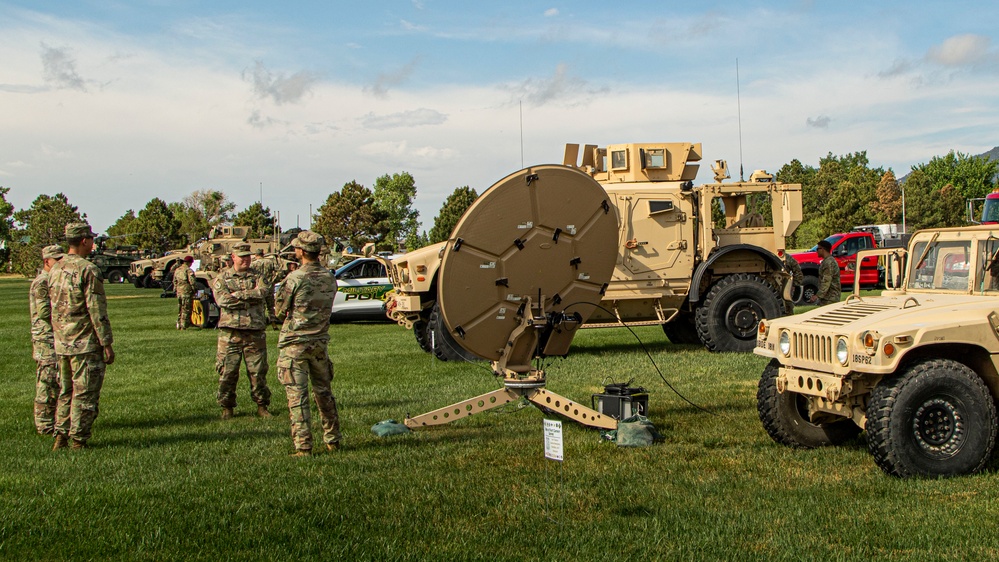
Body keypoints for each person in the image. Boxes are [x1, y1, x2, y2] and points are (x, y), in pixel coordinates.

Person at [49, 223, 115, 450]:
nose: (93, 243)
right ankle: (78, 440)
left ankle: (61, 436)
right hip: (84, 342)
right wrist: (106, 343)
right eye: (90, 239)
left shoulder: (54, 269)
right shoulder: (88, 270)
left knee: (66, 391)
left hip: (61, 342)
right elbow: (96, 310)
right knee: (85, 392)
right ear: (83, 241)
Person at [275, 231, 341, 455]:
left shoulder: (295, 278)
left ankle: (303, 446)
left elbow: (279, 310)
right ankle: (333, 438)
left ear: (301, 252)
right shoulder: (329, 277)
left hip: (296, 344)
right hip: (319, 343)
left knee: (298, 395)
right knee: (324, 393)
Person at [213, 243, 272, 419]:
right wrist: (250, 298)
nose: (246, 259)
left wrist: (238, 295)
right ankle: (227, 407)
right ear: (233, 257)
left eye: (248, 256)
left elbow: (263, 292)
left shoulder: (258, 276)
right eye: (242, 256)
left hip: (254, 331)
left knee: (258, 372)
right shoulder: (222, 278)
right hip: (230, 333)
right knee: (228, 372)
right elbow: (223, 301)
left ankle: (262, 406)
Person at [29, 244, 64, 435]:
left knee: (57, 380)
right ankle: (44, 424)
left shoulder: (53, 280)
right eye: (56, 260)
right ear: (46, 261)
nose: (59, 263)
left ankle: (56, 421)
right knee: (47, 380)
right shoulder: (42, 282)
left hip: (55, 336)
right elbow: (44, 312)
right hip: (45, 338)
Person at [810, 239, 841, 306]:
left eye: (818, 249)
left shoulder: (829, 262)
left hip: (830, 298)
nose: (816, 251)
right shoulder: (826, 261)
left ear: (823, 249)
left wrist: (818, 296)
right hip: (827, 297)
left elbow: (826, 281)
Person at [174, 256, 196, 329]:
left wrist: (176, 289)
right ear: (190, 263)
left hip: (179, 291)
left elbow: (174, 281)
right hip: (186, 290)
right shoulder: (188, 270)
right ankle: (184, 325)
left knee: (180, 307)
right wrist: (194, 290)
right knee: (186, 308)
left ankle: (179, 323)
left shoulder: (177, 270)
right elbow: (192, 282)